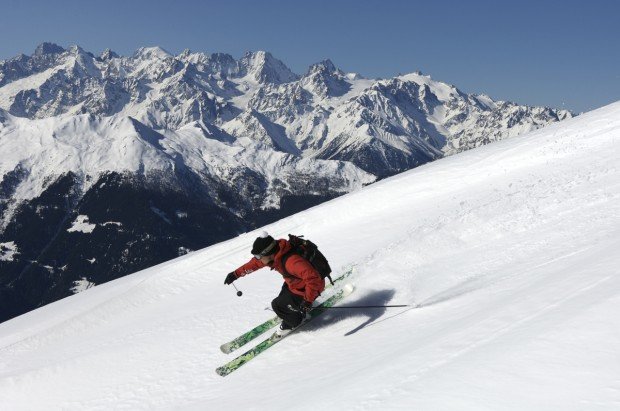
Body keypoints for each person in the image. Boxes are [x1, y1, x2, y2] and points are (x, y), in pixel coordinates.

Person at [224, 231, 325, 336]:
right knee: (282, 298)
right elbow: (254, 264)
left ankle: (293, 322)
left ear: (268, 253)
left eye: (258, 256)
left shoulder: (292, 262)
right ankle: (293, 310)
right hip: (296, 283)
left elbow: (313, 278)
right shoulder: (277, 255)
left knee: (277, 305)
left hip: (310, 287)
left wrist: (308, 301)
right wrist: (235, 274)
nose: (257, 258)